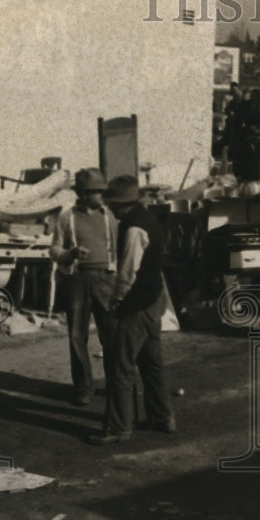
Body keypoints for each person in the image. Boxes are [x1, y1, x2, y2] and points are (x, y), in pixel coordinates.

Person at [87, 176, 175, 444]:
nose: (110, 209)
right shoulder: (148, 219)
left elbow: (127, 272)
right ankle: (163, 418)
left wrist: (116, 301)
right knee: (151, 364)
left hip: (135, 305)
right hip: (152, 302)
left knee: (120, 367)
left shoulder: (133, 227)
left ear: (122, 205)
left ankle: (118, 428)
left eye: (112, 204)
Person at [49, 168, 119, 406]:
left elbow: (120, 249)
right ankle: (84, 388)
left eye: (100, 191)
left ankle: (115, 384)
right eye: (93, 192)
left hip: (106, 279)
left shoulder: (109, 216)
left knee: (111, 336)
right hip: (77, 279)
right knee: (77, 336)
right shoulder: (66, 217)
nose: (98, 196)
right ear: (81, 194)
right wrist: (70, 253)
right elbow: (54, 250)